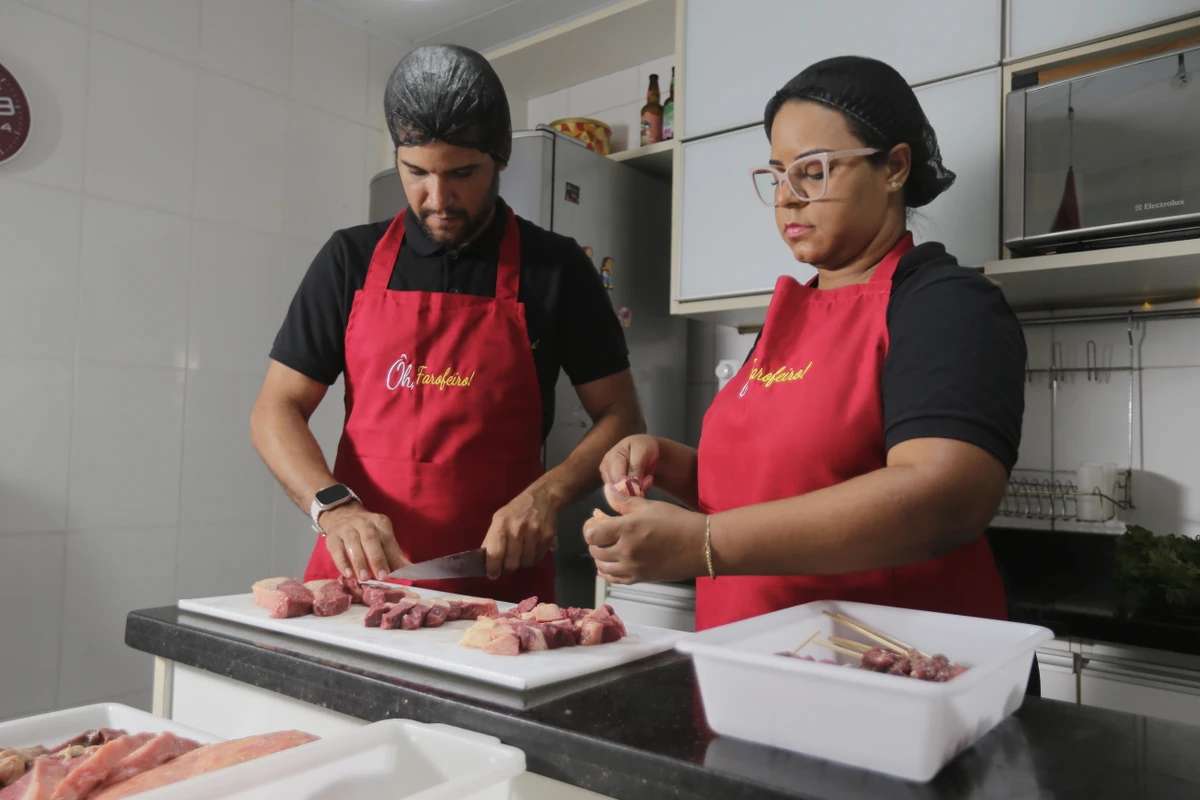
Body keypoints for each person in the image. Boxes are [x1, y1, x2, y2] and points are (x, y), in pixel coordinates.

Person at [585, 56, 1031, 684]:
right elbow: (766, 483)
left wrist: (704, 543)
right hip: (754, 672)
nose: (788, 195)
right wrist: (661, 458)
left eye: (814, 171)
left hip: (892, 684)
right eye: (777, 174)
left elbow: (945, 495)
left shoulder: (945, 304)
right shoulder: (784, 319)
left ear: (895, 168)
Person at [252, 45, 644, 603]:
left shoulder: (555, 268)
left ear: (500, 160)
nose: (437, 199)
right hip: (359, 583)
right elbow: (275, 408)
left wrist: (548, 495)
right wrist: (333, 506)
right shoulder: (349, 261)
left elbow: (621, 414)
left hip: (502, 591)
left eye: (462, 173)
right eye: (416, 173)